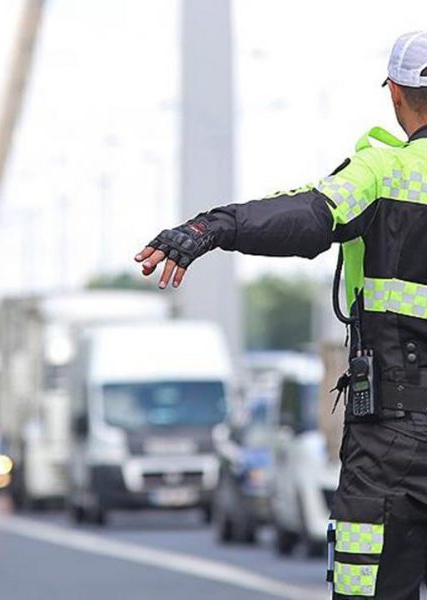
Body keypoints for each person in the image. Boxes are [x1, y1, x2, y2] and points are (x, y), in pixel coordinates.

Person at [135, 31, 427, 599]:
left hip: (392, 441)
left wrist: (211, 228)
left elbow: (305, 216)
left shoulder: (384, 171)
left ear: (395, 94)